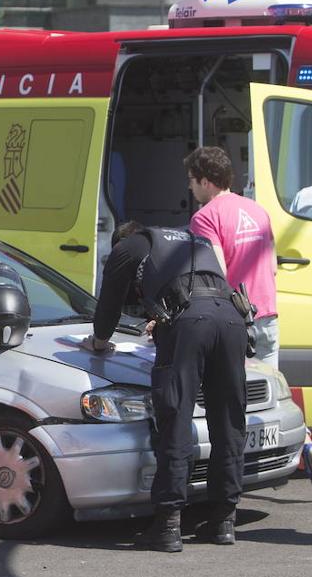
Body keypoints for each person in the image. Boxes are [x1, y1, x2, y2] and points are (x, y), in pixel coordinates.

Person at [82, 221, 247, 552]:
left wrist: (99, 342)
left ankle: (168, 523)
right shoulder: (190, 240)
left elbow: (110, 303)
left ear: (121, 240)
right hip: (232, 319)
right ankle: (223, 519)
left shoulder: (127, 247)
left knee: (176, 415)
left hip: (191, 325)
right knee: (229, 421)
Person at [185, 146, 312, 499]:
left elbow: (215, 273)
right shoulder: (257, 210)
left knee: (229, 401)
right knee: (270, 397)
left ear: (206, 181)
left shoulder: (205, 217)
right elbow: (270, 265)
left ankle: (230, 479)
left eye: (192, 181)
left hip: (235, 320)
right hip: (267, 314)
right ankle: (306, 445)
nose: (190, 188)